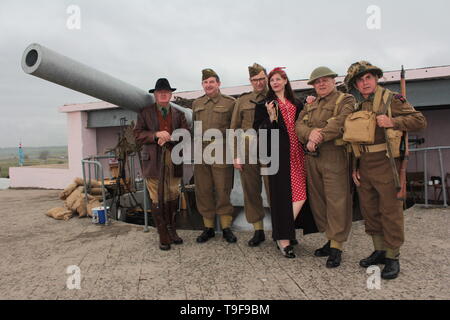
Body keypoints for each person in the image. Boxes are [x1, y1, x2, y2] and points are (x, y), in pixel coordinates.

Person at [344, 61, 427, 279]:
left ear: (376, 78)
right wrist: (355, 168)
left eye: (367, 78)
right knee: (370, 212)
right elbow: (354, 141)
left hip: (387, 164)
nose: (364, 83)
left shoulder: (393, 99)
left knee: (390, 213)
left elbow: (419, 120)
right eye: (359, 81)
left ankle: (392, 257)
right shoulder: (358, 106)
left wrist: (392, 121)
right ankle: (379, 250)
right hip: (365, 166)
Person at [295, 66, 355, 268]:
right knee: (320, 202)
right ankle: (330, 240)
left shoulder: (345, 100)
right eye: (316, 82)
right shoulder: (311, 104)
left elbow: (341, 121)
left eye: (325, 80)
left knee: (337, 201)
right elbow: (298, 125)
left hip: (334, 156)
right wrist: (309, 134)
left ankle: (337, 247)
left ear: (333, 81)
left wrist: (317, 137)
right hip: (313, 159)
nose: (321, 84)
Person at [253, 67, 316, 258]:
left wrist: (310, 103)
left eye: (278, 79)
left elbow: (306, 121)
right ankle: (284, 239)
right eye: (272, 80)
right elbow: (258, 130)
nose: (275, 82)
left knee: (301, 195)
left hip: (297, 152)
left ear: (286, 81)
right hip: (278, 154)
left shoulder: (296, 103)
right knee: (281, 196)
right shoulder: (264, 104)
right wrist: (271, 117)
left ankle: (282, 230)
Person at [134, 78, 189, 251]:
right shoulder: (145, 113)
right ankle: (162, 233)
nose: (163, 94)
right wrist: (156, 134)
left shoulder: (178, 114)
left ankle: (172, 230)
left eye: (166, 92)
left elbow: (186, 134)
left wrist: (170, 137)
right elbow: (137, 134)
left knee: (173, 195)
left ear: (171, 95)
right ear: (155, 95)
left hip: (173, 160)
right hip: (153, 162)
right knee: (157, 196)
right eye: (160, 92)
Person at [192, 69, 238, 243]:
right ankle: (208, 228)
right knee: (203, 190)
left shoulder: (230, 103)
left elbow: (235, 129)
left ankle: (226, 228)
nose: (208, 85)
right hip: (200, 152)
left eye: (212, 82)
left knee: (223, 189)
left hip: (222, 151)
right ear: (202, 85)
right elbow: (193, 129)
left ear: (218, 83)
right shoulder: (197, 103)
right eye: (205, 82)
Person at [230, 63, 270, 247]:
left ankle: (281, 231)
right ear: (250, 81)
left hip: (272, 147)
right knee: (251, 191)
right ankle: (258, 230)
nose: (259, 83)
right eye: (255, 80)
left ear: (267, 77)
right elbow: (234, 129)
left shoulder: (274, 96)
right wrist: (236, 155)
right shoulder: (242, 100)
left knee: (274, 191)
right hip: (247, 149)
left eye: (262, 78)